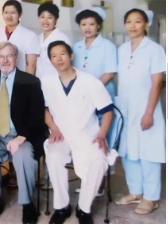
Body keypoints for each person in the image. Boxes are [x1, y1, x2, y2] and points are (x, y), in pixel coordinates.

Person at [0, 41, 46, 224]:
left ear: (16, 57)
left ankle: (27, 203)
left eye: (9, 56)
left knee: (24, 157)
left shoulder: (30, 81)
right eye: (1, 56)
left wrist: (22, 137)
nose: (5, 60)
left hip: (22, 135)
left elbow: (37, 114)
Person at [43, 41, 113, 225]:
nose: (59, 59)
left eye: (62, 54)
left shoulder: (90, 82)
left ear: (71, 56)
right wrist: (53, 127)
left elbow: (107, 111)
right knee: (54, 158)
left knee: (98, 161)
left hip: (87, 134)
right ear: (50, 61)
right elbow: (44, 109)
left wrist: (101, 135)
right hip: (61, 134)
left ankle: (84, 208)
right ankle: (62, 207)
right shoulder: (47, 82)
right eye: (54, 56)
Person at [116, 9, 165, 216]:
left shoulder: (154, 49)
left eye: (138, 21)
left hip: (146, 108)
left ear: (146, 24)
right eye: (129, 21)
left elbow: (157, 83)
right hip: (126, 108)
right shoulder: (122, 49)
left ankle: (151, 197)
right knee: (129, 152)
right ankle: (135, 191)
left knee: (148, 153)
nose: (133, 25)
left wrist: (149, 112)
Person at [72, 8, 117, 99]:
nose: (87, 28)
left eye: (91, 24)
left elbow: (110, 73)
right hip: (81, 92)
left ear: (98, 25)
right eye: (83, 24)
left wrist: (92, 89)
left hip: (102, 91)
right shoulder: (76, 47)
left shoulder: (107, 46)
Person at [0, 0, 40, 75]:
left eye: (13, 13)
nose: (9, 16)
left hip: (20, 79)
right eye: (6, 12)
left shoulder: (30, 35)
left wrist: (27, 81)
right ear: (2, 14)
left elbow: (31, 65)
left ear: (20, 14)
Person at [35, 4, 71, 81]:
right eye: (42, 17)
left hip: (56, 81)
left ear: (56, 19)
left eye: (50, 17)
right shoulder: (37, 38)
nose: (45, 21)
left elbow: (67, 64)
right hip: (39, 81)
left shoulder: (62, 38)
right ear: (38, 18)